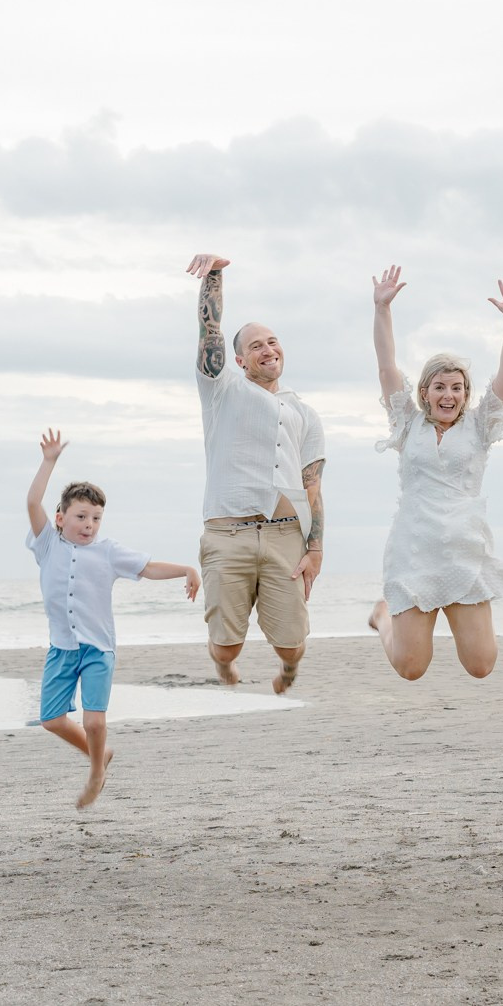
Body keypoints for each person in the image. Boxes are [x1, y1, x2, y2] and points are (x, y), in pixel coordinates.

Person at [364, 266, 503, 680]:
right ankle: (383, 616)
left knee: (480, 665)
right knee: (411, 668)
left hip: (462, 550)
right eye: (439, 386)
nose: (448, 394)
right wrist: (382, 308)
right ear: (424, 393)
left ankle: (413, 614)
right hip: (413, 548)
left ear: (466, 395)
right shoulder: (407, 423)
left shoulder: (479, 426)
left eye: (457, 388)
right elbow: (386, 369)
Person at [24, 429, 199, 809]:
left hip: (98, 648)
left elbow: (148, 567)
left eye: (96, 518)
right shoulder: (47, 544)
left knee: (95, 722)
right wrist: (49, 461)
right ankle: (99, 755)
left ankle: (96, 772)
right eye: (81, 516)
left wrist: (186, 568)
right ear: (60, 518)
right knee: (52, 720)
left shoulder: (107, 552)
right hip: (62, 648)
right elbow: (32, 501)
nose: (89, 524)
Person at [186, 254, 326, 694]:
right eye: (257, 345)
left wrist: (315, 549)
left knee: (292, 643)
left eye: (273, 341)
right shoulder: (222, 389)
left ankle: (287, 670)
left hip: (286, 535)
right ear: (240, 360)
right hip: (228, 534)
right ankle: (224, 665)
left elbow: (313, 486)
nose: (269, 349)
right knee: (227, 646)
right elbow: (210, 331)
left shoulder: (304, 412)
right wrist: (214, 277)